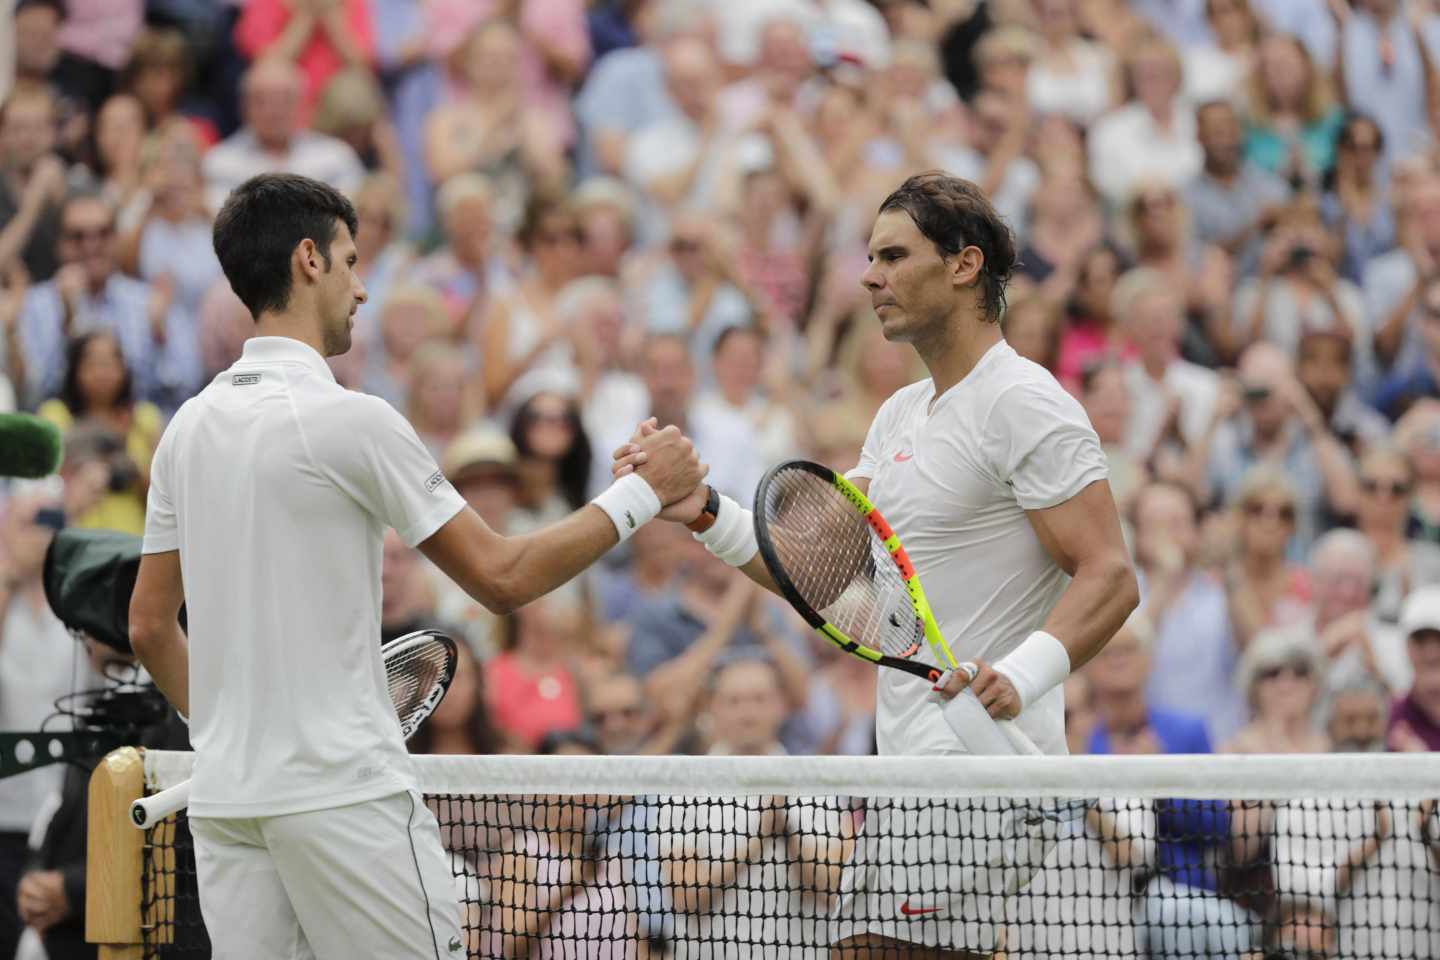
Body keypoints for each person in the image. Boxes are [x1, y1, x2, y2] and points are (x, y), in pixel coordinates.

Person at [126, 172, 704, 959]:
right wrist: (641, 495)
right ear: (309, 262)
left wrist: (230, 731)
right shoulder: (351, 420)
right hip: (342, 795)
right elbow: (501, 578)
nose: (363, 289)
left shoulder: (185, 430)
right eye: (352, 261)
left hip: (229, 799)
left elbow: (150, 625)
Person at [615, 171, 1139, 958]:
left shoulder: (1024, 401)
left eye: (893, 256)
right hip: (910, 769)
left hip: (976, 770)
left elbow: (1111, 576)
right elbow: (813, 566)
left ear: (964, 266)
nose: (868, 276)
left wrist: (1018, 676)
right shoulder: (899, 412)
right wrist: (699, 508)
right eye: (869, 257)